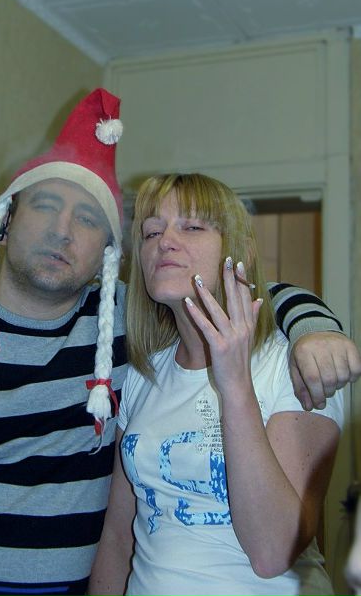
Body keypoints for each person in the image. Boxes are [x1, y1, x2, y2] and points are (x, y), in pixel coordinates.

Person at [0, 91, 358, 596]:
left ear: (108, 251)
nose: (62, 231)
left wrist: (314, 327)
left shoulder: (122, 327)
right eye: (45, 206)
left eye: (88, 219)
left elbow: (243, 288)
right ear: (6, 221)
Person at [89, 173, 346, 596]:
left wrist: (234, 383)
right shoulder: (141, 376)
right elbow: (119, 537)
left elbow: (273, 551)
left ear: (240, 250)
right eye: (152, 232)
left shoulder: (293, 364)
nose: (165, 241)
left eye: (192, 226)